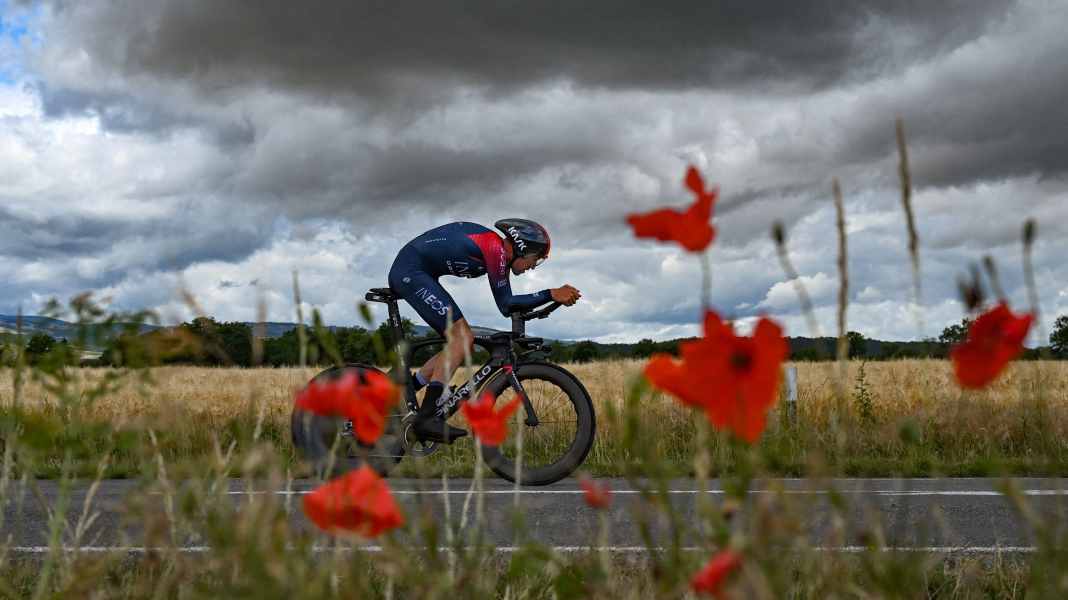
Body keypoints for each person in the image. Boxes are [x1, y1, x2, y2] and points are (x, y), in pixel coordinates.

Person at [388, 219, 581, 443]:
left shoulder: (497, 254)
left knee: (462, 343)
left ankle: (406, 391)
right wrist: (550, 294)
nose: (532, 267)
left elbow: (507, 306)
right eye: (534, 260)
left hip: (418, 271)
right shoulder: (495, 249)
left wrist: (547, 302)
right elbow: (506, 304)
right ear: (523, 248)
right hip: (410, 271)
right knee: (462, 339)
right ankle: (427, 418)